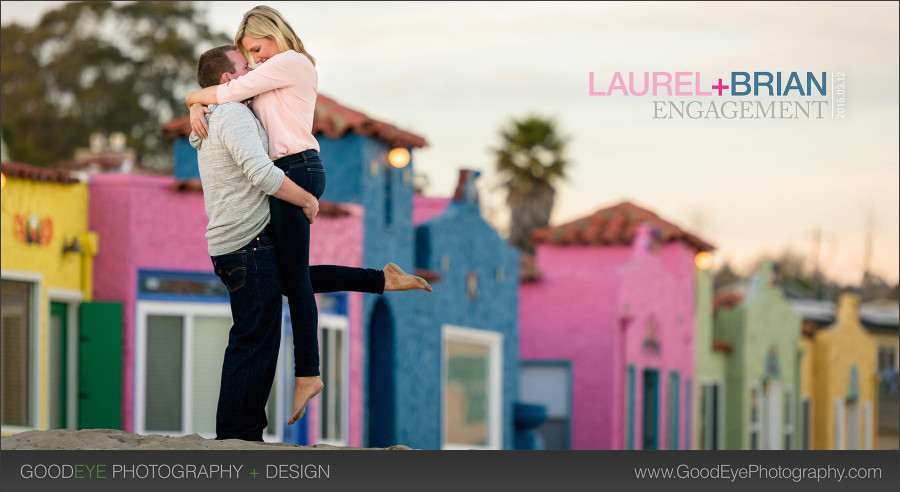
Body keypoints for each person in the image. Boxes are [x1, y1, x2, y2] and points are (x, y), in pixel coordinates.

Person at [192, 45, 430, 439]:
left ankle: (380, 280)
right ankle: (236, 439)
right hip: (244, 245)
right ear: (228, 81)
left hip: (243, 246)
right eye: (245, 65)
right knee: (253, 344)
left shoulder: (223, 113)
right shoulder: (232, 114)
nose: (254, 69)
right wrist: (306, 198)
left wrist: (195, 104)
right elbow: (261, 174)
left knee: (288, 291)